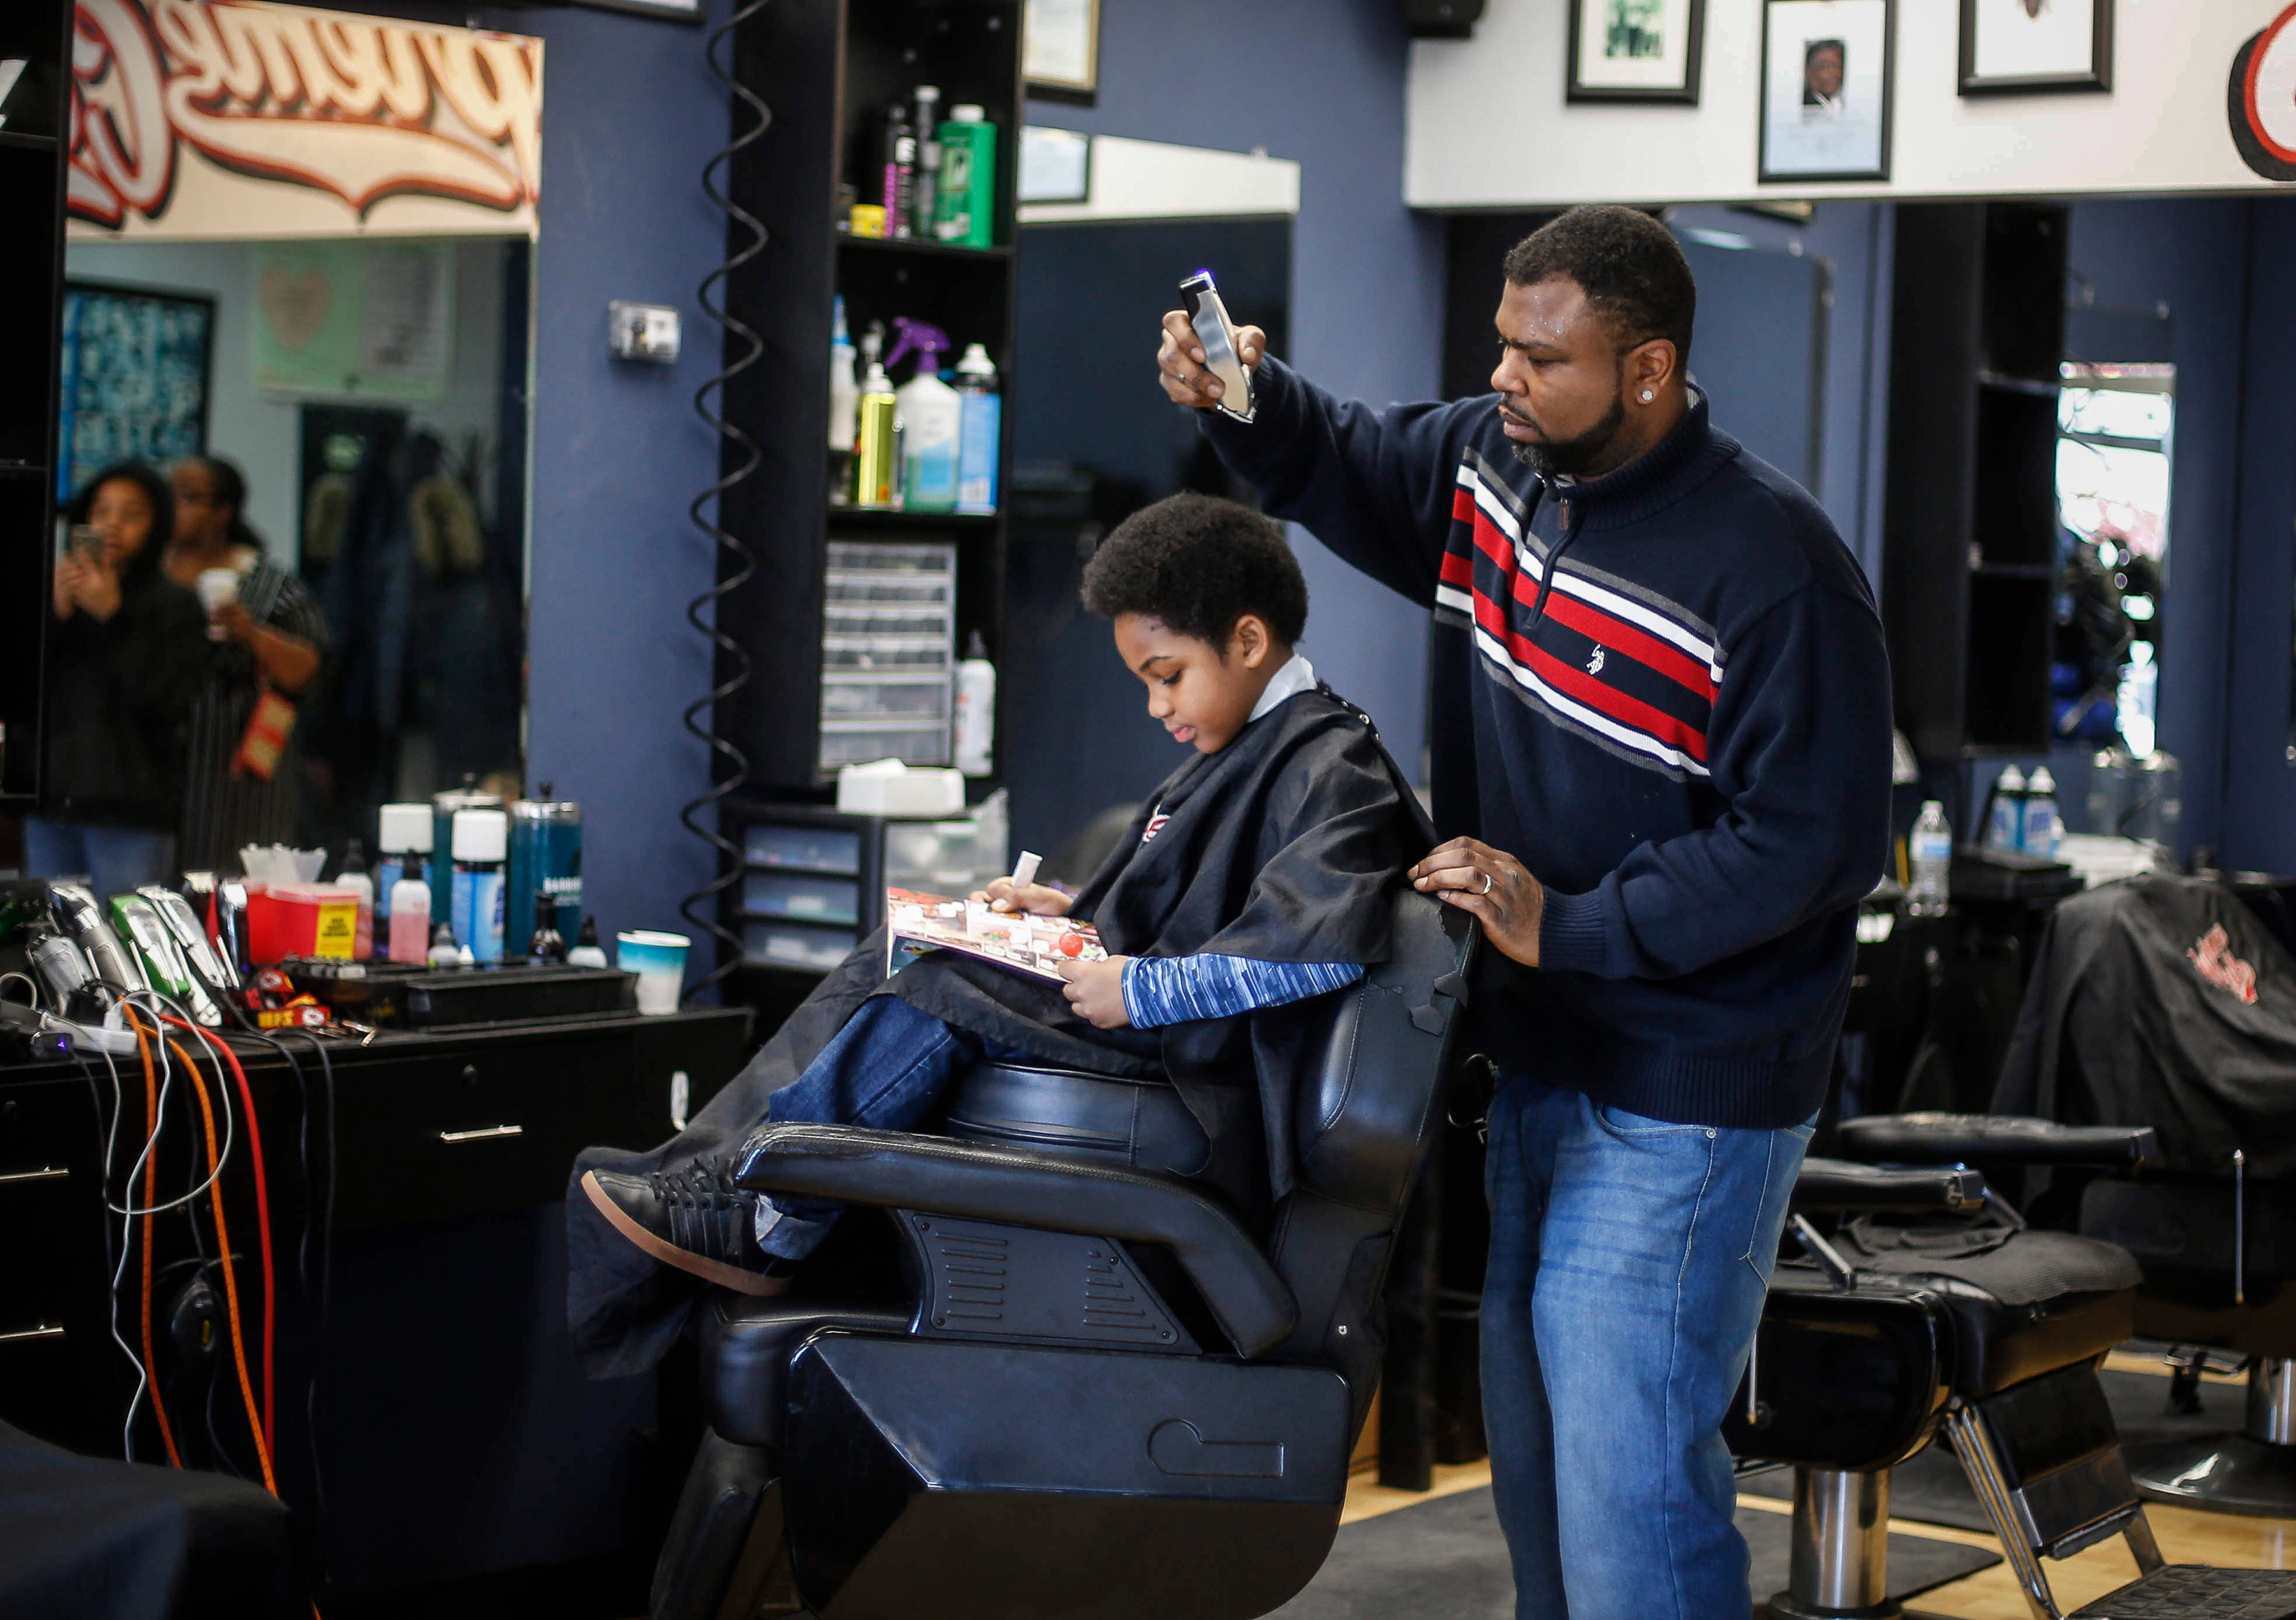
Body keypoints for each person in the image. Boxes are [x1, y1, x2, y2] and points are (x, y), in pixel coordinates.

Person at [1155, 206, 1892, 1619]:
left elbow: (1810, 845)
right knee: (1541, 1467)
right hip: (1538, 1056)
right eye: (1498, 343)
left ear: (1649, 370)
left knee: (1626, 1487)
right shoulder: (1489, 464)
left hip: (1689, 1081)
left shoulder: (1775, 567)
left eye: (1541, 358)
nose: (1502, 376)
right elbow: (1349, 458)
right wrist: (1244, 394)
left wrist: (1571, 925)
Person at [567, 494, 1433, 1375]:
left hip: (1192, 1080)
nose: (1154, 704)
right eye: (1144, 681)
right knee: (913, 943)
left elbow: (1319, 945)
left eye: (1167, 674)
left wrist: (1138, 987)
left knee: (941, 984)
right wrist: (1064, 917)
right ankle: (718, 1179)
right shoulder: (1243, 750)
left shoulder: (1331, 764)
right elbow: (1180, 911)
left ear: (1248, 642)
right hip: (1146, 1038)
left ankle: (773, 1218)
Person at [25, 463, 208, 900]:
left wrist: (114, 616)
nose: (111, 525)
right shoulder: (53, 595)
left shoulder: (176, 605)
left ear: (156, 525)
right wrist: (52, 617)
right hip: (51, 803)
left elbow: (166, 698)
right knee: (51, 945)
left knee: (130, 944)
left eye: (131, 515)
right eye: (101, 511)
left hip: (133, 814)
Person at [165, 455, 328, 873]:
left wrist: (251, 631)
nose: (172, 507)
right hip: (157, 779)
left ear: (224, 511)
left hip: (243, 777)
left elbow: (311, 670)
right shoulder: (148, 580)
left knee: (238, 887)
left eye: (187, 498)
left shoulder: (269, 584)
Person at [1802, 39, 1847, 116]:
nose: (1836, 74)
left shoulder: (1838, 102)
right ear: (1808, 72)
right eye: (1827, 67)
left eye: (1840, 67)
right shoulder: (1806, 105)